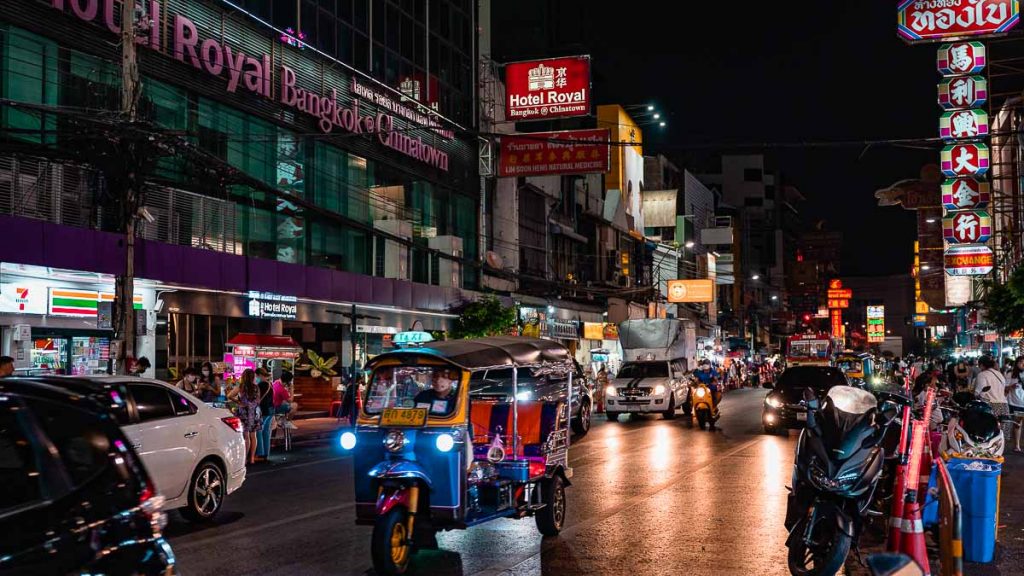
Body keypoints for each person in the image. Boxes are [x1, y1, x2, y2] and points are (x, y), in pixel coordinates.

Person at [974, 355, 1013, 443]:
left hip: (990, 406)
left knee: (989, 435)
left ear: (982, 365)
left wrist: (974, 394)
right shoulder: (999, 374)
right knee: (1001, 435)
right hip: (1003, 405)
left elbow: (979, 391)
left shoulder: (982, 375)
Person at [228, 369, 261, 465]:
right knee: (253, 436)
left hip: (244, 412)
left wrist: (239, 402)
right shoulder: (256, 388)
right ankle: (252, 458)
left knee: (246, 436)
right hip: (254, 412)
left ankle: (245, 458)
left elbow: (229, 395)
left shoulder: (241, 387)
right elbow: (258, 400)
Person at [255, 367, 275, 462]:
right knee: (266, 432)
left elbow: (258, 399)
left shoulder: (261, 385)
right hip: (270, 411)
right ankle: (266, 453)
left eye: (256, 376)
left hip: (263, 411)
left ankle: (260, 453)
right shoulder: (270, 384)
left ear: (259, 375)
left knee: (259, 431)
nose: (255, 378)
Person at [1007, 357, 1024, 453]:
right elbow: (1005, 388)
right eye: (1021, 362)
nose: (1023, 364)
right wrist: (1011, 386)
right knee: (1018, 424)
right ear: (1016, 363)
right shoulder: (1010, 375)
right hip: (1016, 403)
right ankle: (1017, 445)